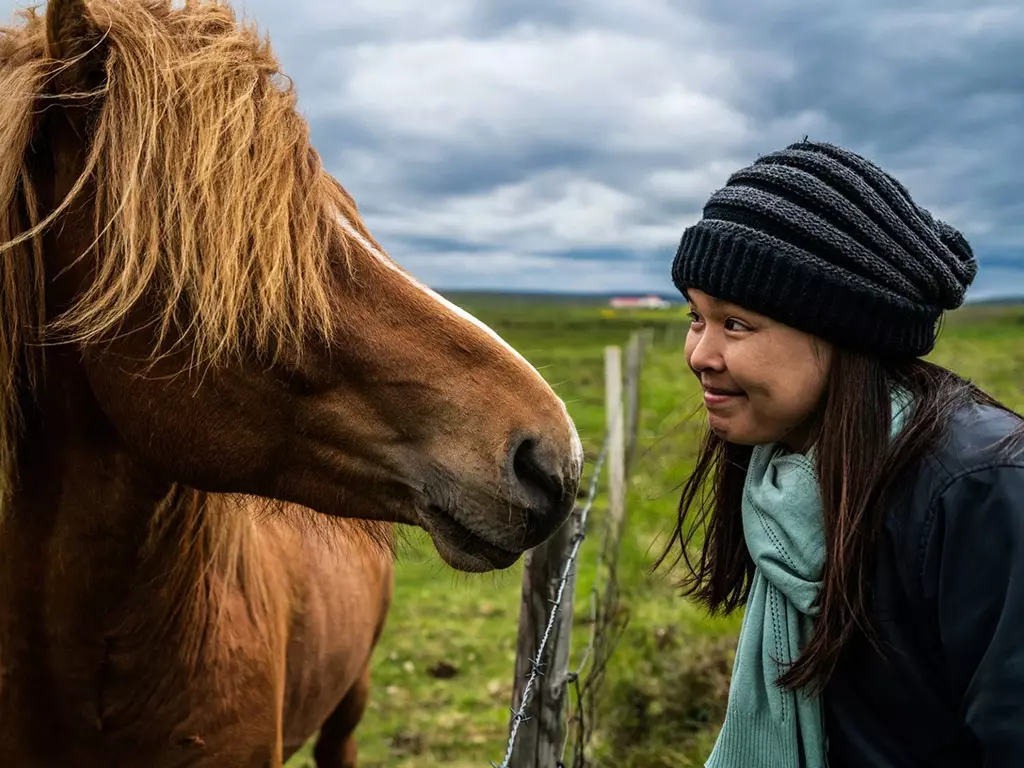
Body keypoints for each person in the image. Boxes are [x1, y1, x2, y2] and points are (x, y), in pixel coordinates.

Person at [658, 139, 1024, 767]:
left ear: (843, 331)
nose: (700, 355)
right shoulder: (787, 473)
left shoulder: (982, 493)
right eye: (697, 318)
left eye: (736, 324)